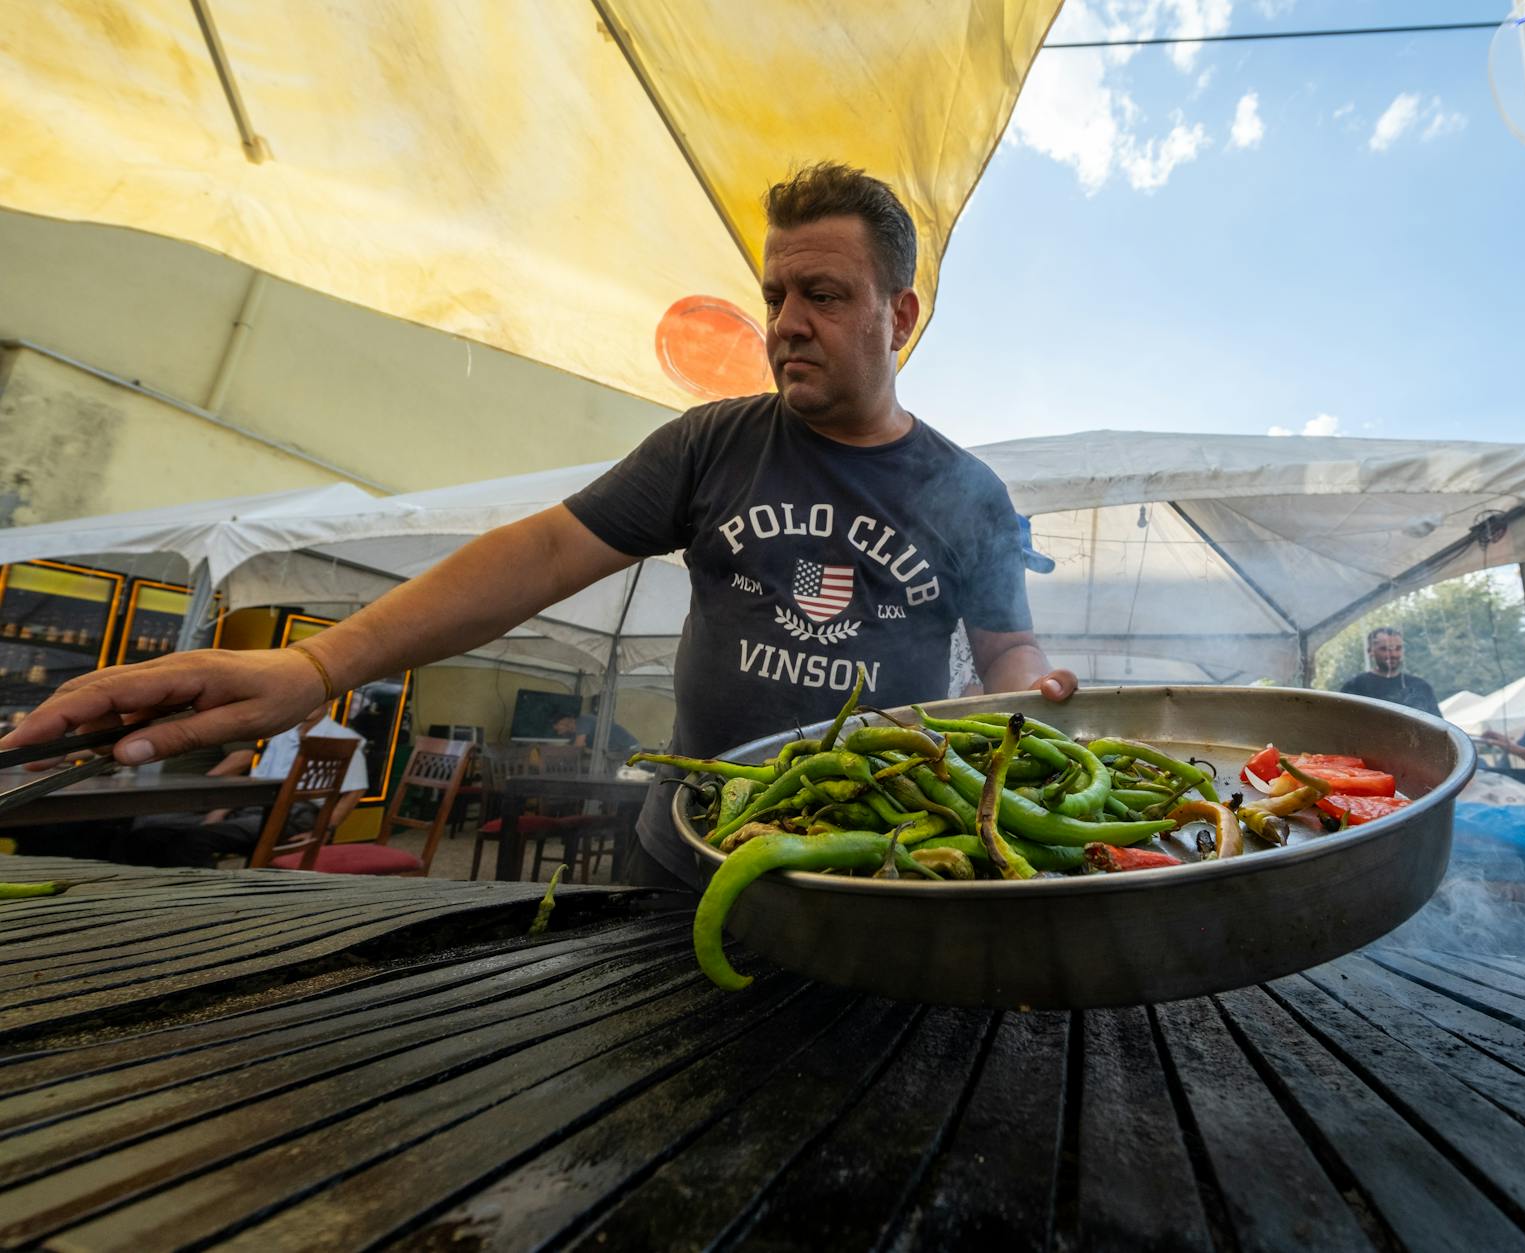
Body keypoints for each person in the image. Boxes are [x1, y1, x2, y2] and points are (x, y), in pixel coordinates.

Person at [6, 163, 1076, 889]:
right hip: (686, 849)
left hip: (871, 864)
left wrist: (1027, 699)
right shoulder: (713, 444)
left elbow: (1005, 651)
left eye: (825, 294)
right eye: (774, 292)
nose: (785, 322)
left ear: (900, 313)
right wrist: (322, 663)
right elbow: (544, 550)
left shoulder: (967, 491)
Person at [140, 707, 368, 868]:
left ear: (331, 700)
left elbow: (355, 790)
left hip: (297, 814)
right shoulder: (283, 735)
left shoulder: (343, 739)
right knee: (153, 827)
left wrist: (323, 831)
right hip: (256, 808)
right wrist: (220, 811)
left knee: (197, 839)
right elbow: (257, 782)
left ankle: (204, 903)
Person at [1339, 626, 1440, 716]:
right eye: (1384, 649)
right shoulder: (1355, 688)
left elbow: (1439, 727)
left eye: (1398, 648)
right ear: (1370, 652)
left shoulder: (1420, 686)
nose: (1393, 654)